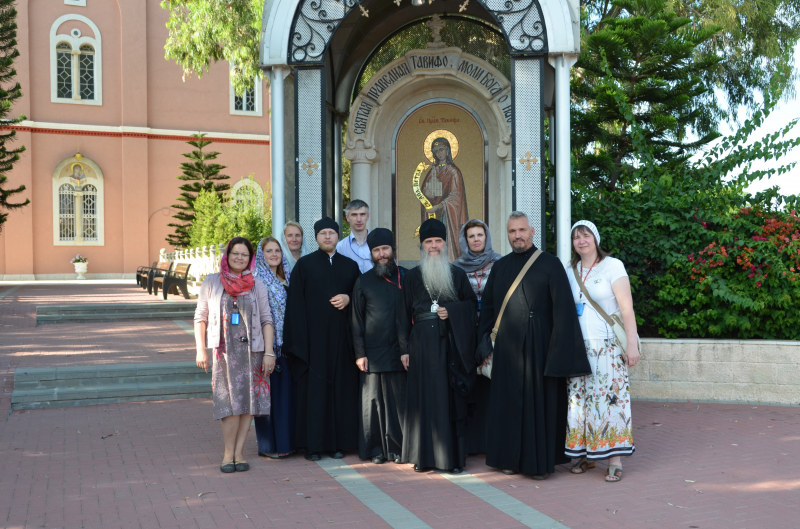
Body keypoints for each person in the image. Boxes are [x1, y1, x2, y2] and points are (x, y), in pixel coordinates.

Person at [477, 212, 591, 479]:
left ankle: (538, 464)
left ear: (532, 231)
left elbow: (563, 311)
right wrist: (484, 346)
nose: (517, 235)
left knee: (538, 405)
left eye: (522, 230)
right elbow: (489, 309)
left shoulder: (550, 264)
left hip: (540, 347)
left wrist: (558, 354)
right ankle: (508, 459)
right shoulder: (500, 267)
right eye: (512, 231)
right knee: (508, 405)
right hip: (506, 348)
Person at [565, 220, 640, 482]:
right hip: (579, 347)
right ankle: (586, 455)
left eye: (586, 235)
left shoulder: (612, 266)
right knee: (581, 403)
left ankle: (615, 460)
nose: (581, 241)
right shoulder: (570, 270)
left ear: (595, 239)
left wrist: (632, 345)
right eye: (576, 237)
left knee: (610, 402)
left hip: (607, 347)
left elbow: (626, 308)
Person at [402, 218, 477, 474]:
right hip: (421, 346)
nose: (434, 246)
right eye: (428, 242)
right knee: (423, 400)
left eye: (438, 241)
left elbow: (471, 306)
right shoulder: (412, 276)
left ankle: (451, 459)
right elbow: (402, 316)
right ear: (422, 246)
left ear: (445, 244)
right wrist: (404, 350)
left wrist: (452, 311)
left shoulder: (457, 274)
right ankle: (422, 458)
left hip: (449, 346)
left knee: (449, 400)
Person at [194, 237, 274, 473]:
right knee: (227, 403)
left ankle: (239, 453)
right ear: (227, 255)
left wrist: (269, 352)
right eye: (235, 253)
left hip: (253, 352)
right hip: (224, 352)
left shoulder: (257, 284)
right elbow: (200, 317)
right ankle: (228, 454)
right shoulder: (211, 282)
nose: (239, 257)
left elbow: (267, 319)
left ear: (250, 258)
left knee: (249, 403)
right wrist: (200, 349)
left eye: (244, 254)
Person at [284, 217, 361, 460]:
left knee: (340, 392)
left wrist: (349, 298)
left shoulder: (350, 266)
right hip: (313, 344)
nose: (327, 237)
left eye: (332, 233)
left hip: (342, 343)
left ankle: (337, 444)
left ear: (338, 236)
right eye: (323, 233)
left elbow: (362, 299)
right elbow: (295, 306)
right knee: (314, 394)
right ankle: (313, 446)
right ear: (316, 237)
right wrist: (300, 344)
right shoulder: (304, 266)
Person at [351, 228, 409, 465]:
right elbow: (356, 320)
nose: (382, 254)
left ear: (393, 249)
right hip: (372, 353)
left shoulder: (407, 277)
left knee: (398, 404)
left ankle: (398, 449)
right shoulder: (363, 281)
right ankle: (375, 449)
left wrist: (409, 349)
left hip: (401, 352)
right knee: (373, 404)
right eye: (376, 250)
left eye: (385, 249)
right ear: (371, 254)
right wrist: (360, 354)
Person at [452, 219, 502, 454]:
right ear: (465, 240)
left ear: (486, 237)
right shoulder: (457, 267)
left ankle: (493, 439)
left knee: (492, 385)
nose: (476, 239)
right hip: (467, 333)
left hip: (494, 332)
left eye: (480, 235)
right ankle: (473, 443)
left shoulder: (500, 263)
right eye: (471, 236)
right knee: (472, 385)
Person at [253, 237, 296, 459]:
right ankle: (269, 446)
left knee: (284, 398)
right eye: (268, 251)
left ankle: (286, 443)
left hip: (287, 346)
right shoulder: (257, 280)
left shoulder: (287, 276)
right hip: (267, 347)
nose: (274, 254)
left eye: (277, 250)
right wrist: (268, 349)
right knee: (267, 398)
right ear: (261, 255)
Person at [418, 138, 469, 261]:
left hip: (448, 214)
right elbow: (424, 191)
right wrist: (427, 193)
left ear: (447, 151)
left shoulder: (453, 172)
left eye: (441, 150)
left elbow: (455, 196)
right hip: (434, 214)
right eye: (436, 151)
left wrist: (439, 206)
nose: (439, 153)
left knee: (447, 239)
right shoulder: (432, 171)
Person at [336, 199, 373, 273]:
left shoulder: (379, 245)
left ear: (368, 216)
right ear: (347, 217)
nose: (359, 219)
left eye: (362, 214)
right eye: (354, 215)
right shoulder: (340, 247)